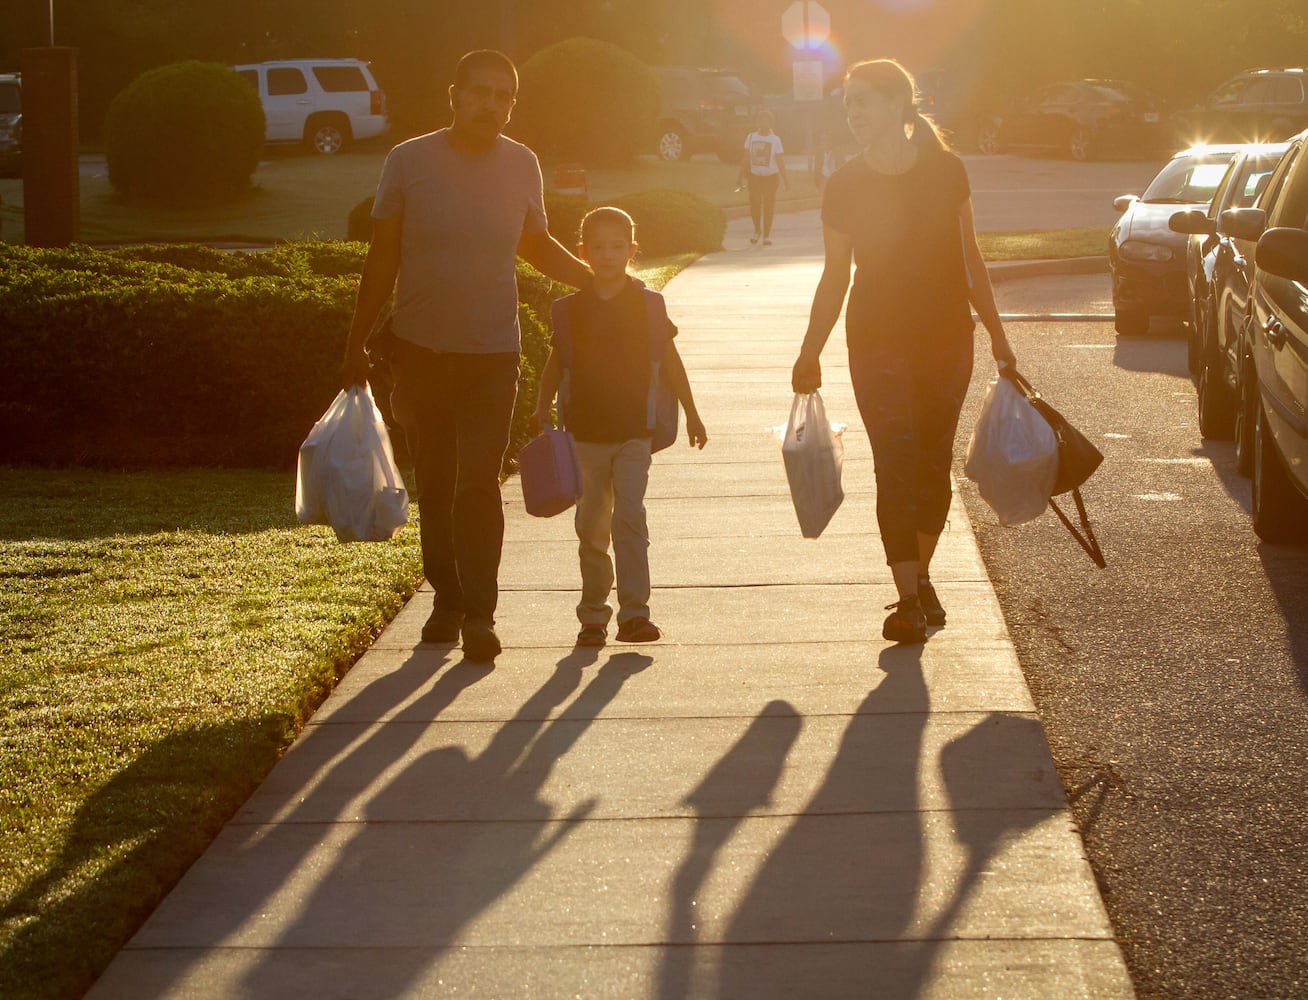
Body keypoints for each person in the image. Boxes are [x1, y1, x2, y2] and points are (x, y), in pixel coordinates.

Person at [340, 50, 593, 662]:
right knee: (436, 479)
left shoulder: (521, 164)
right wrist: (354, 344)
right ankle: (447, 600)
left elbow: (534, 241)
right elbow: (382, 258)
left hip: (492, 353)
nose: (493, 105)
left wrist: (596, 278)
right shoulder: (409, 161)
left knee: (478, 482)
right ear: (454, 95)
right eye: (481, 93)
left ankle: (480, 612)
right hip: (420, 351)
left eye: (504, 96)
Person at [790, 58, 1017, 645]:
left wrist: (998, 334)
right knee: (895, 459)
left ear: (897, 104)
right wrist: (809, 350)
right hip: (876, 340)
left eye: (863, 101)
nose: (854, 115)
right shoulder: (844, 184)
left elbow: (971, 260)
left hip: (945, 337)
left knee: (932, 461)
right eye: (848, 106)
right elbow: (835, 276)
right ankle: (909, 597)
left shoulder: (947, 172)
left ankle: (919, 576)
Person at [530, 207, 708, 647]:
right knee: (591, 527)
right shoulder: (569, 310)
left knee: (630, 517)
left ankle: (635, 615)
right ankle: (593, 616)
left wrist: (693, 411)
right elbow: (557, 362)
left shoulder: (648, 305)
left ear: (631, 251)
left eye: (617, 247)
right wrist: (540, 405)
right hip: (584, 434)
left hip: (634, 432)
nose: (607, 255)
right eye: (598, 247)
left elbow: (669, 360)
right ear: (583, 252)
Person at [737, 110, 790, 246]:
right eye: (761, 120)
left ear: (771, 123)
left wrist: (785, 180)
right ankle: (757, 231)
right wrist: (739, 177)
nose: (763, 123)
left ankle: (766, 235)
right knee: (754, 204)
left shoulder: (775, 140)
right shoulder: (751, 137)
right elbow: (745, 158)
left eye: (767, 121)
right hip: (754, 177)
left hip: (771, 178)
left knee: (768, 205)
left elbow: (780, 161)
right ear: (757, 123)